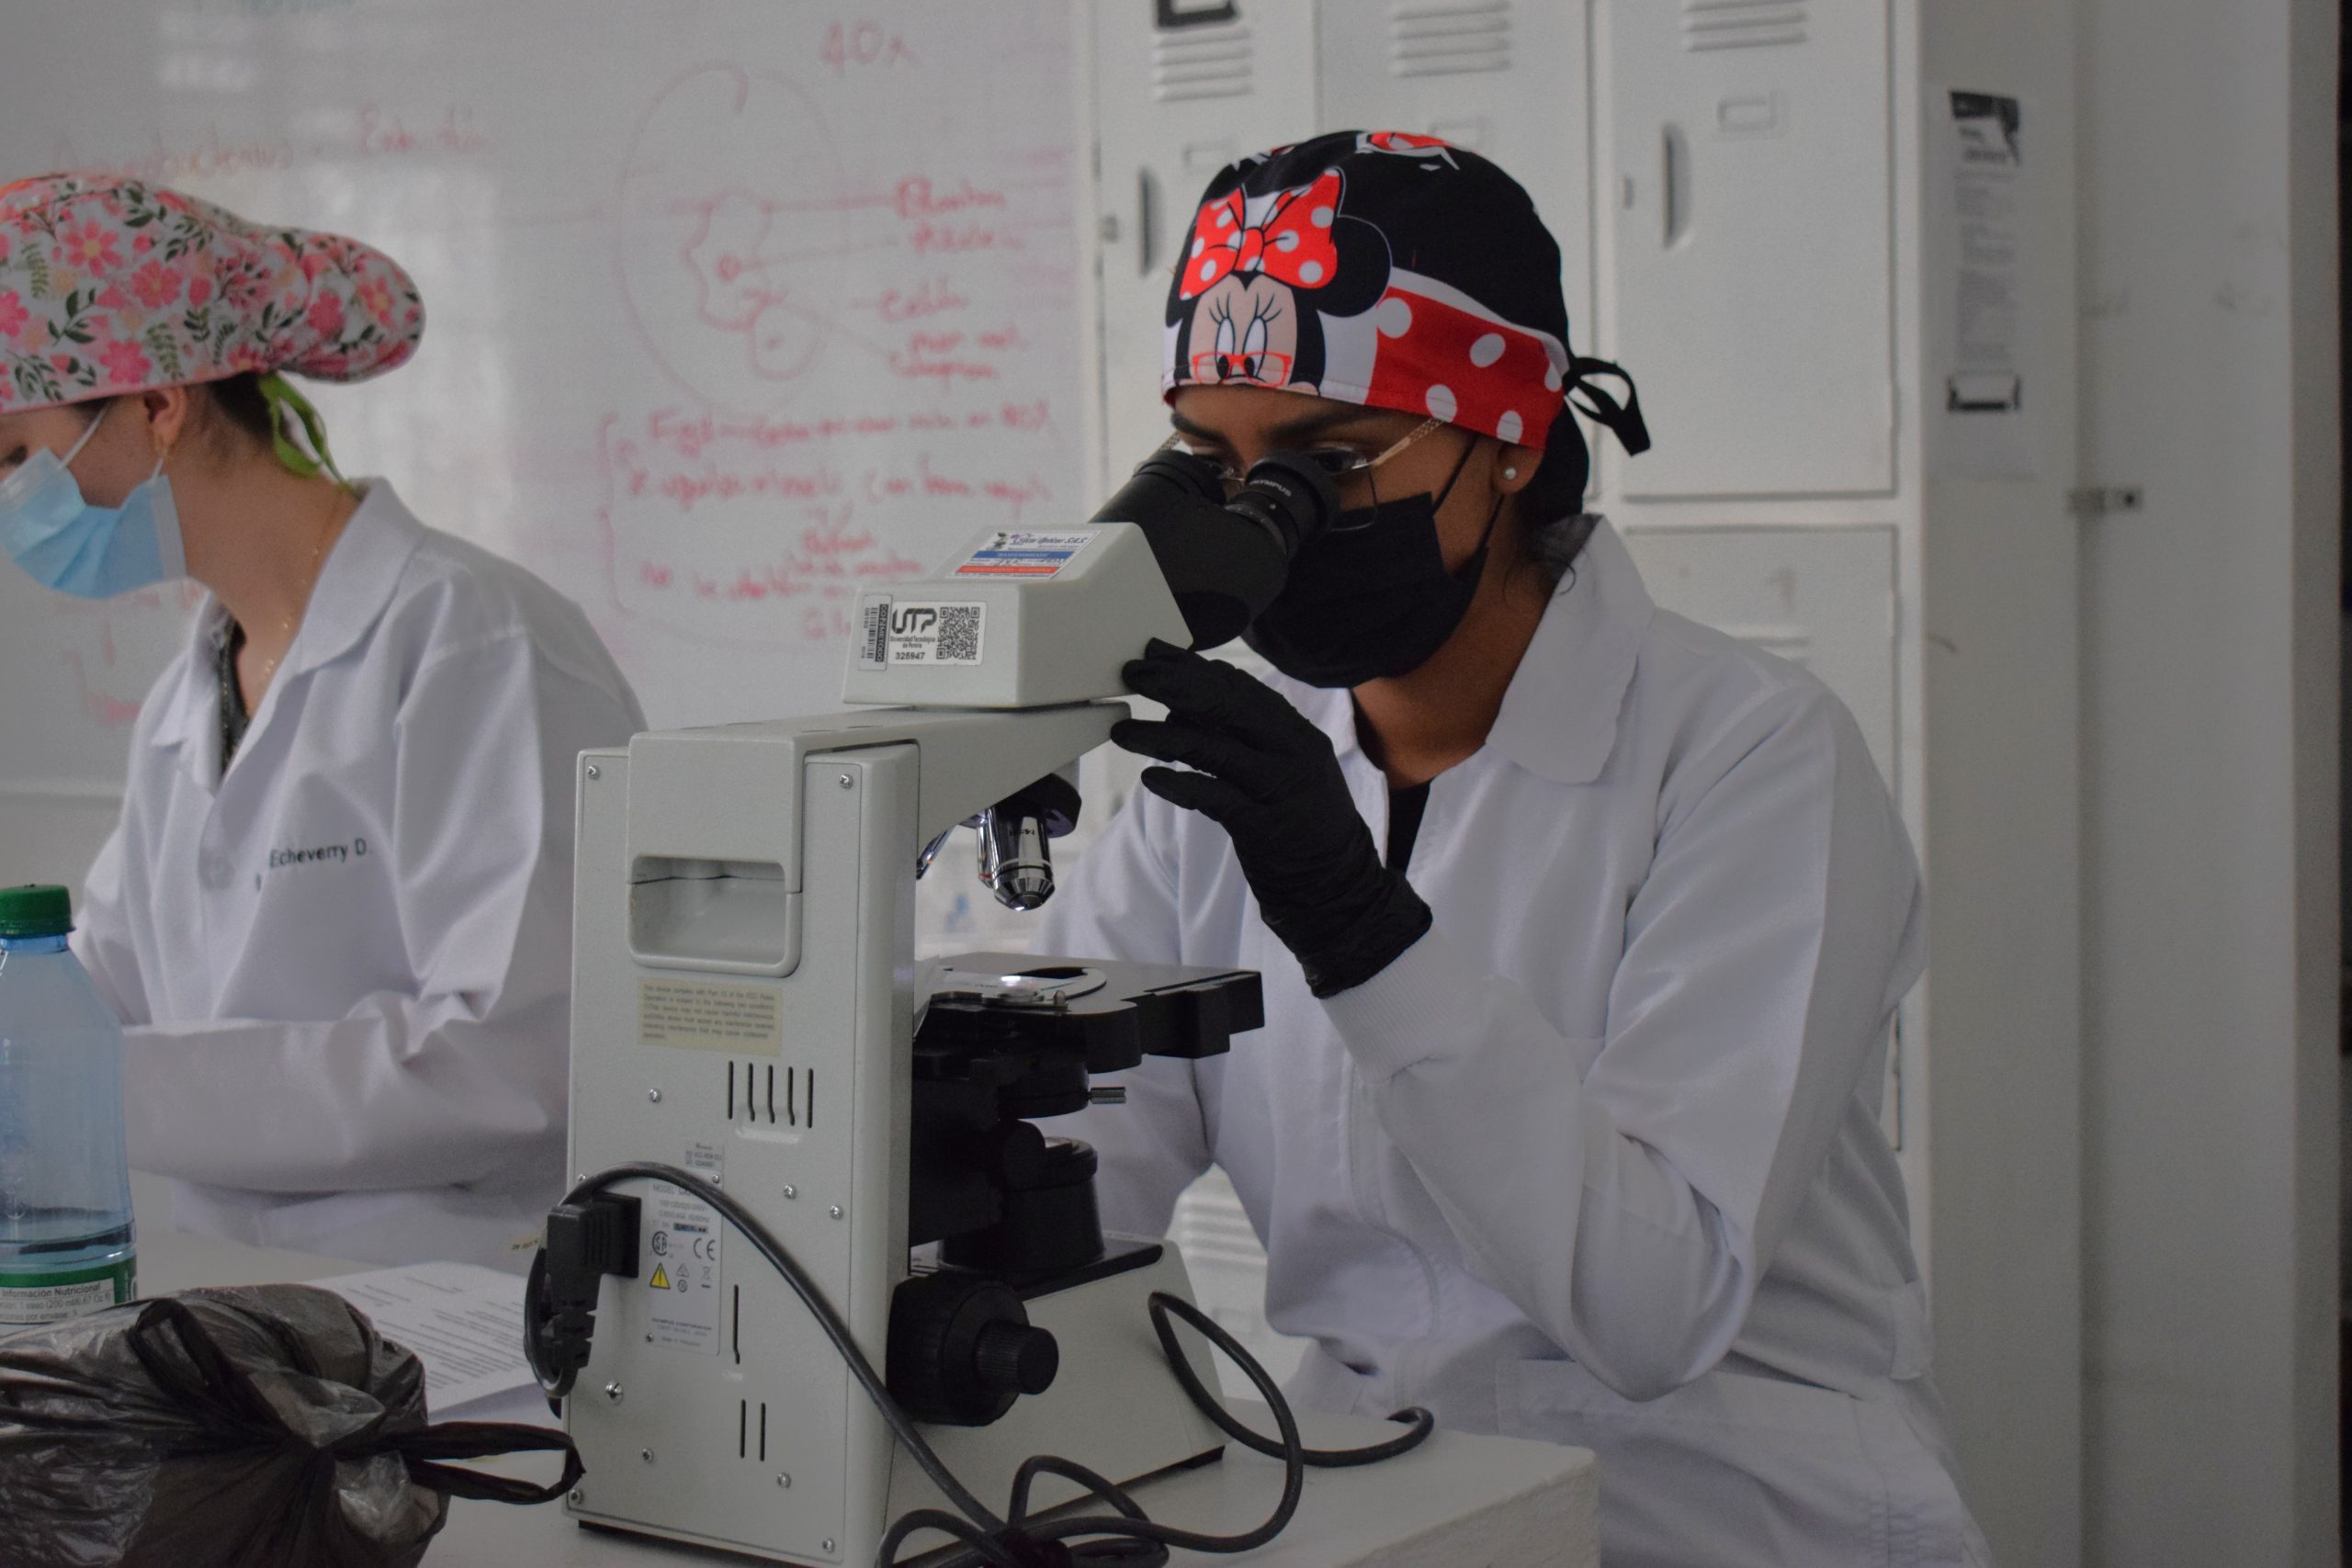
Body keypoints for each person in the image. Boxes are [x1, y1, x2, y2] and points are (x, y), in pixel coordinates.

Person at [1042, 132, 1990, 1566]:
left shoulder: (1750, 752)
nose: (1266, 528)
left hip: (1716, 1505)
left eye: (1331, 464)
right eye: (1214, 469)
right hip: (1370, 1492)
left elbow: (1655, 1305)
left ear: (1511, 439)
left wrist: (1360, 932)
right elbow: (1081, 1157)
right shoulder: (1223, 779)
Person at [0, 174, 645, 1271]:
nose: (13, 504)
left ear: (157, 405)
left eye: (15, 455)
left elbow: (514, 1063)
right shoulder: (187, 701)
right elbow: (92, 987)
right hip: (244, 1300)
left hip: (463, 1307)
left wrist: (81, 1082)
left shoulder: (472, 642)